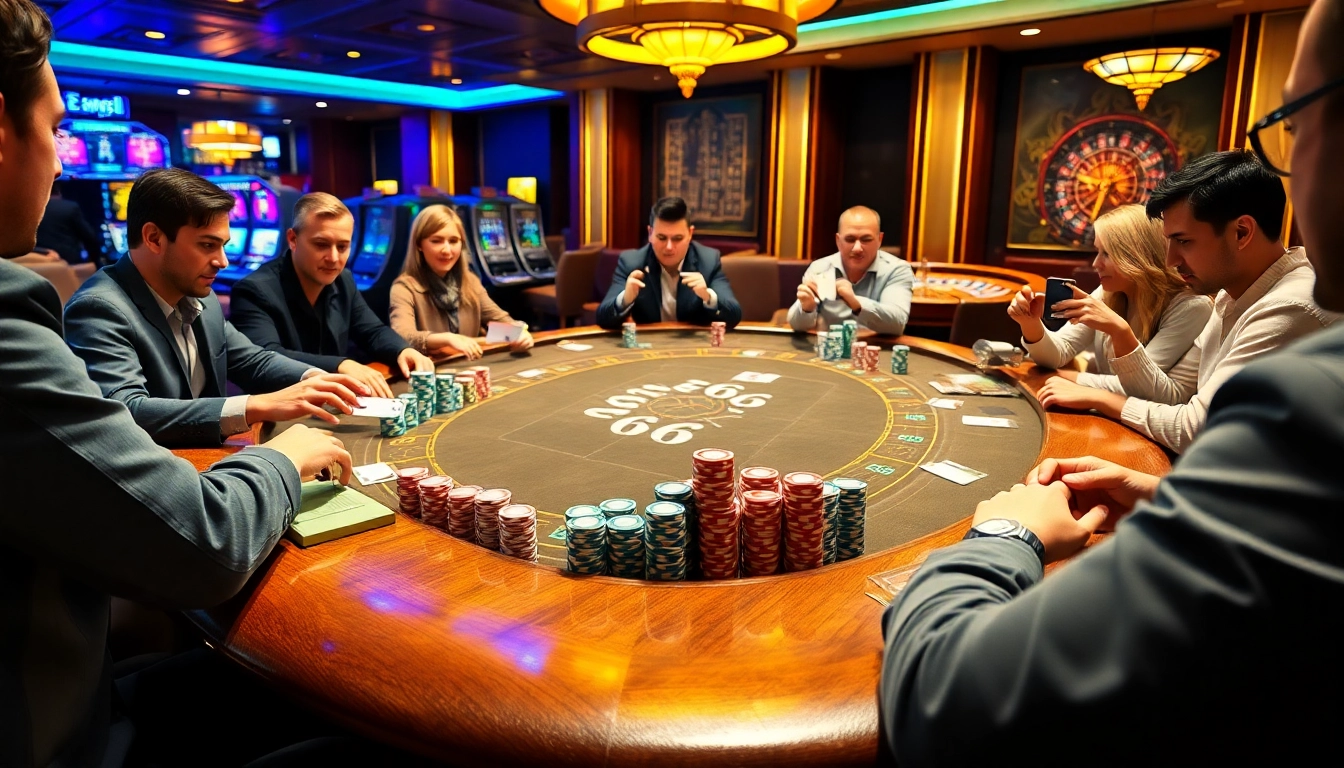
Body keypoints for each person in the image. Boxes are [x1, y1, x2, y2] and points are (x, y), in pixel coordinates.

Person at [879, 2, 1344, 764]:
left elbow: (948, 696)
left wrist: (1005, 532)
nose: (1173, 260)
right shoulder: (1240, 297)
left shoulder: (1298, 350)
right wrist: (1162, 496)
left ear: (1241, 233)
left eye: (1296, 121)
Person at [0, 1, 353, 764]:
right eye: (54, 128)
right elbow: (198, 538)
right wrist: (281, 448)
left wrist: (332, 372)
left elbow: (254, 362)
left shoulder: (200, 299)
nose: (62, 159)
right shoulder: (90, 308)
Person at [1033, 149, 1335, 453]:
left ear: (1242, 233)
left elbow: (1196, 429)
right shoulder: (1231, 293)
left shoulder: (1287, 307)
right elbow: (1178, 397)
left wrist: (1100, 397)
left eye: (1183, 242)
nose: (1170, 260)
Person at [64, 167, 369, 448]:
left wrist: (316, 379)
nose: (222, 261)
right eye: (208, 245)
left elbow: (253, 360)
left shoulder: (200, 296)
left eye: (223, 245)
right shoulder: (99, 308)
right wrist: (254, 406)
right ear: (154, 238)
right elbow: (129, 410)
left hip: (206, 456)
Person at [229, 192, 435, 399]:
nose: (334, 258)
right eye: (321, 245)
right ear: (293, 239)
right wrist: (339, 365)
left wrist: (402, 350)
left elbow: (372, 331)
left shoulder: (343, 280)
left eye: (342, 246)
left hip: (331, 404)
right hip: (276, 413)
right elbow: (266, 358)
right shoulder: (254, 291)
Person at [1008, 204, 1212, 396]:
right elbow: (1058, 353)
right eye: (1098, 251)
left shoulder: (1191, 307)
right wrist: (1030, 323)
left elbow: (1143, 387)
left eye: (1107, 253)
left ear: (1136, 256)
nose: (1096, 264)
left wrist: (1067, 377)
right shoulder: (1108, 292)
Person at [389, 203, 534, 361]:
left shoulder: (469, 281)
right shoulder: (404, 287)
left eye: (453, 241)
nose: (447, 250)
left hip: (468, 367)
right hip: (429, 372)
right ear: (419, 245)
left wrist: (518, 334)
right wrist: (448, 338)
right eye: (436, 241)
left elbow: (500, 320)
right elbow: (402, 335)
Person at [595, 196, 742, 330]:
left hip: (694, 350)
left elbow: (734, 315)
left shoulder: (708, 260)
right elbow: (603, 318)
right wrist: (625, 299)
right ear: (650, 233)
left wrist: (708, 297)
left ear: (690, 234)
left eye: (677, 238)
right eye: (662, 238)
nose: (669, 247)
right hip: (649, 349)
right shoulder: (631, 262)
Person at [787, 206, 913, 335]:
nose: (857, 248)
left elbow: (897, 324)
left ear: (879, 240)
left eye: (866, 240)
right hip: (830, 350)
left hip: (877, 349)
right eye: (850, 239)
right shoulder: (820, 267)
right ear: (838, 241)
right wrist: (807, 308)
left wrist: (854, 302)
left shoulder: (897, 269)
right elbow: (798, 326)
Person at [36, 180, 104, 265]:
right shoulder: (69, 207)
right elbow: (89, 237)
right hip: (69, 263)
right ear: (59, 191)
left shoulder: (32, 210)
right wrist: (96, 261)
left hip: (35, 262)